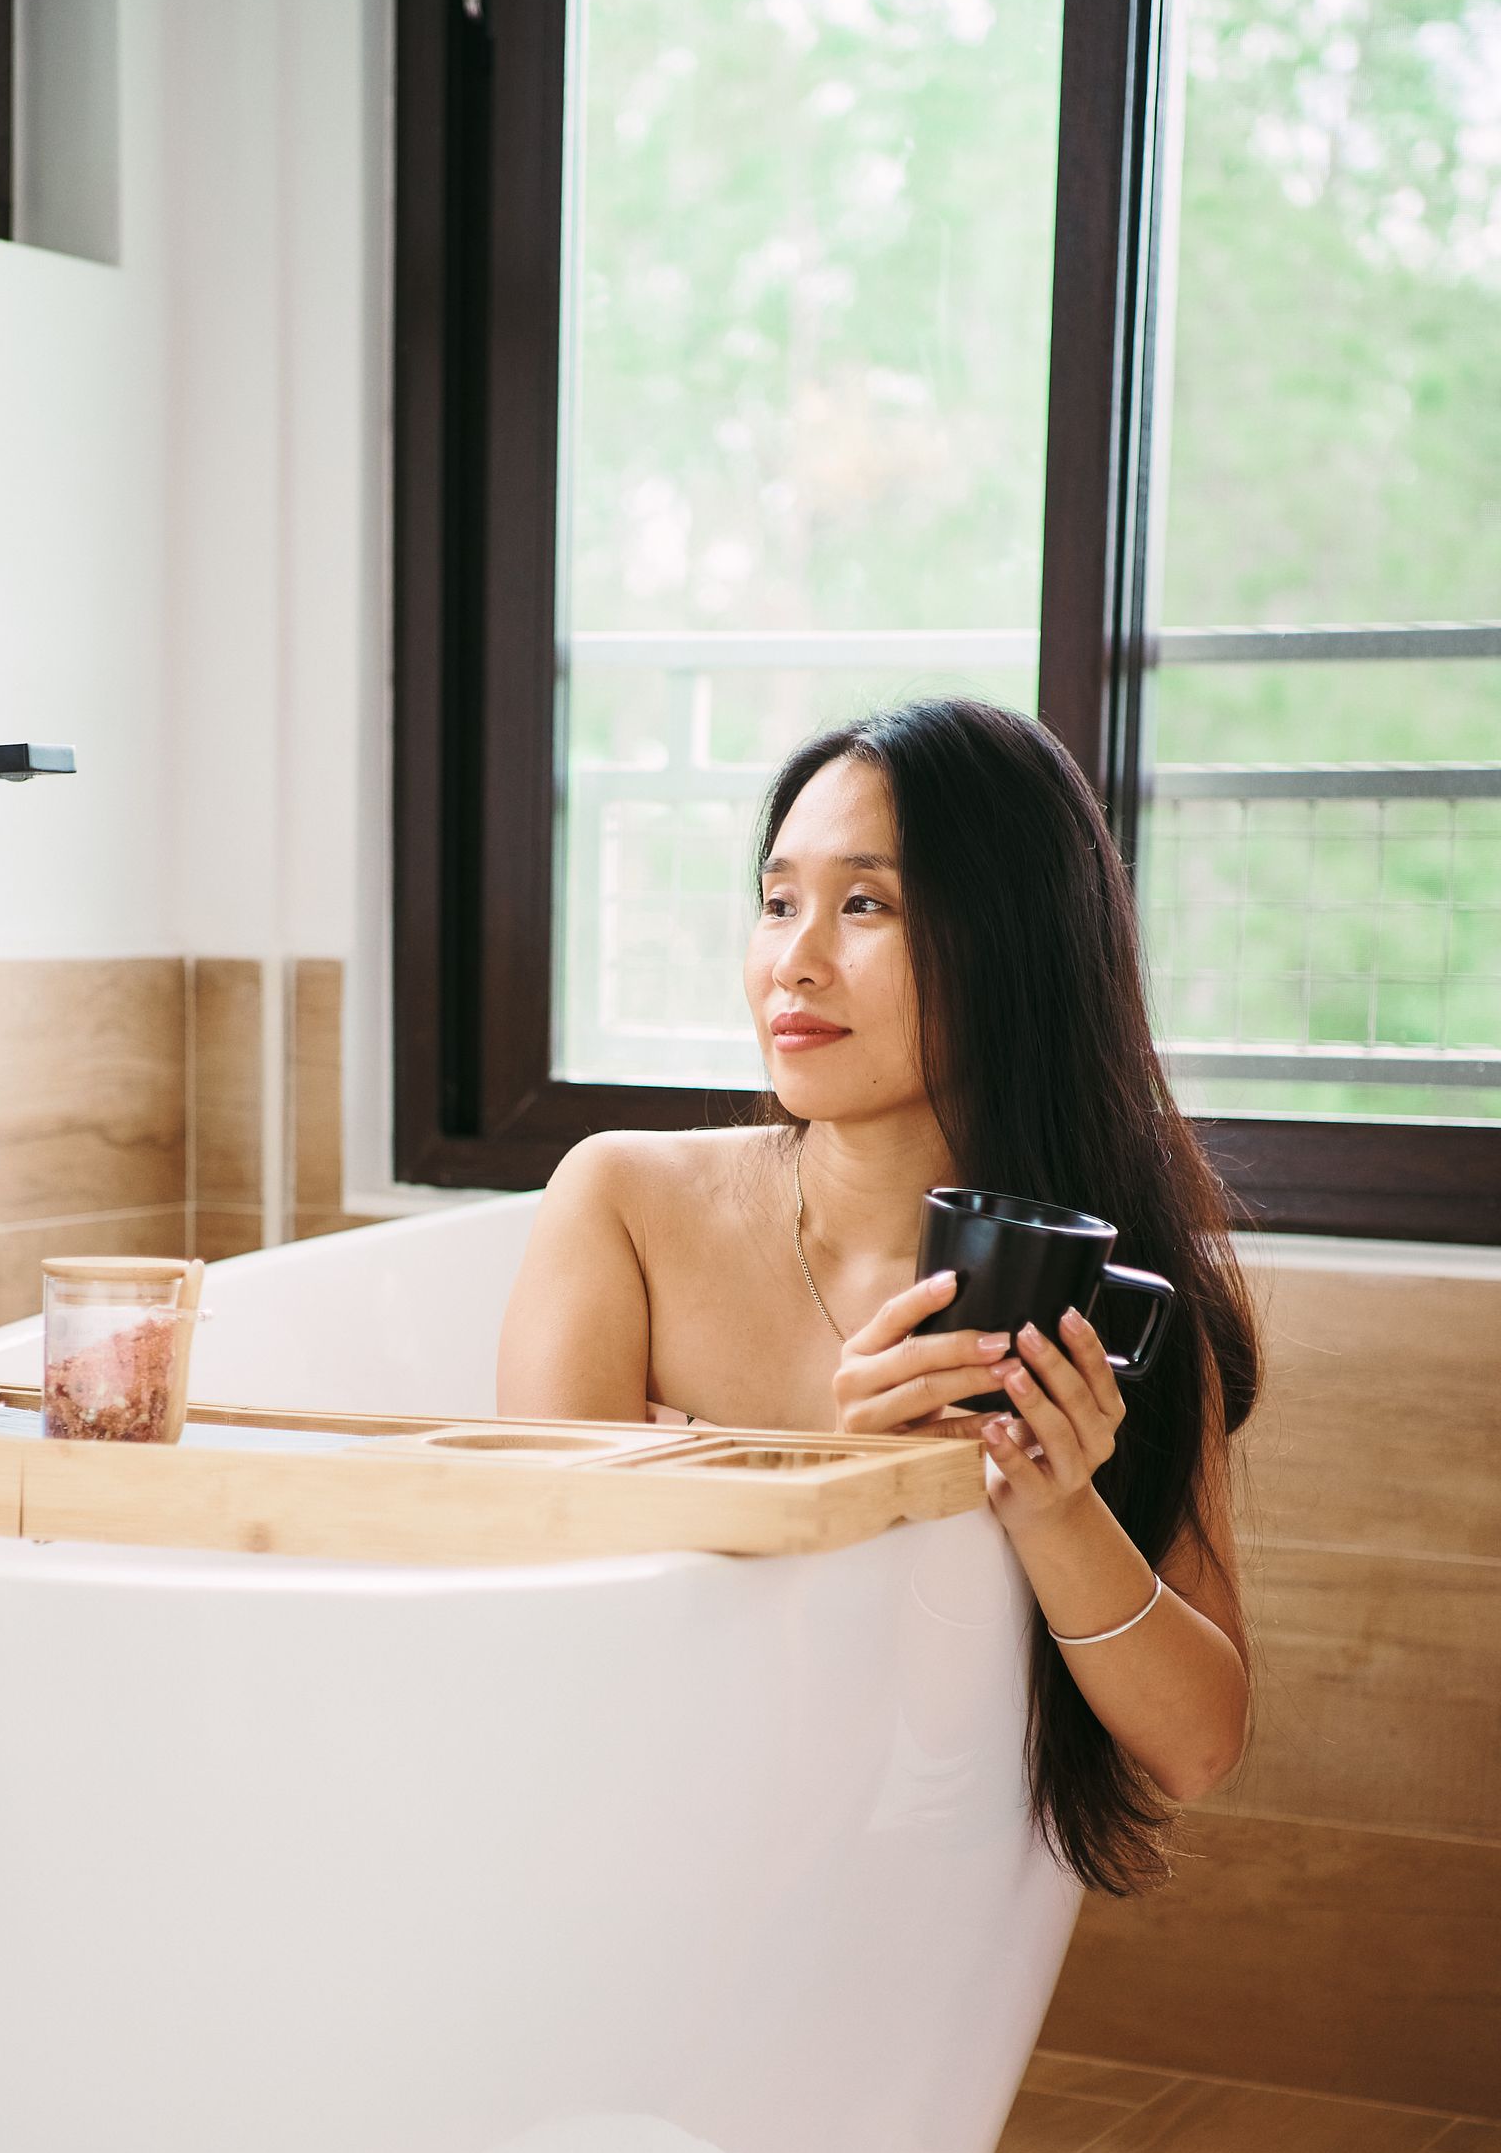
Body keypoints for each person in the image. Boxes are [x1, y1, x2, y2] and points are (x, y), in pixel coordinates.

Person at [497, 698, 1260, 1893]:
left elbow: (1196, 1748)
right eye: (776, 899)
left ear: (1016, 947)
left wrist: (1059, 1511)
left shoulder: (1102, 1303)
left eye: (866, 904)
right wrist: (845, 1492)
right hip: (624, 1845)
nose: (794, 961)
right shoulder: (622, 1206)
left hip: (914, 1887)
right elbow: (547, 1644)